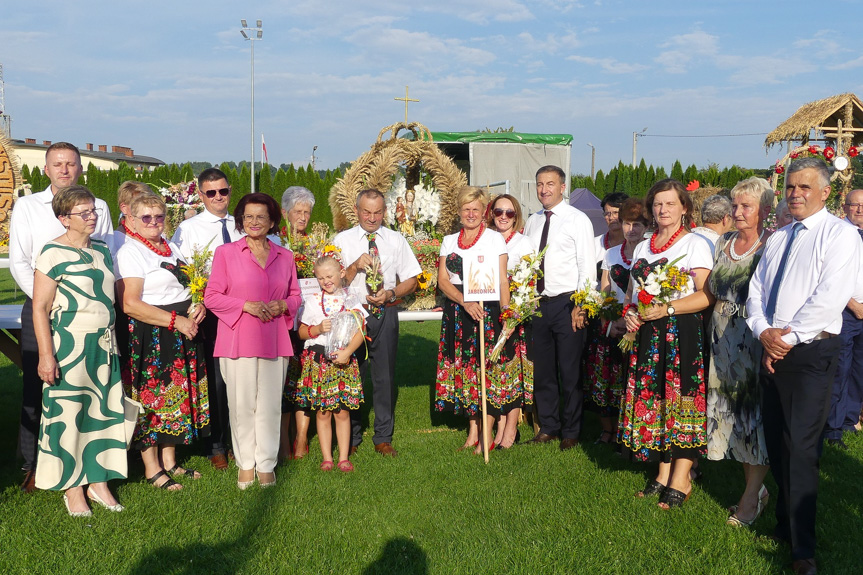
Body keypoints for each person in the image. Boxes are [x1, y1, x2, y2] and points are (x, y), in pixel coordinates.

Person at [747, 158, 861, 574]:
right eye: (790, 187)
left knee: (801, 449)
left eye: (804, 188)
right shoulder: (778, 238)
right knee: (778, 443)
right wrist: (764, 332)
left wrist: (785, 340)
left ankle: (802, 550)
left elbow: (830, 297)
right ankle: (784, 523)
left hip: (810, 352)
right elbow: (757, 290)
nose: (795, 194)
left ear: (825, 192)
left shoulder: (841, 235)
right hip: (772, 348)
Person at [9, 142, 114, 493]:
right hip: (42, 303)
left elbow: (106, 255)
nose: (65, 170)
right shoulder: (27, 206)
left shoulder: (97, 206)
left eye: (71, 163)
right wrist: (48, 300)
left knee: (88, 387)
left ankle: (90, 461)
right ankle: (34, 465)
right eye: (58, 164)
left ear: (81, 168)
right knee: (38, 385)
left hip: (88, 312)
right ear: (47, 169)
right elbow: (21, 259)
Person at [32, 186, 127, 516]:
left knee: (104, 413)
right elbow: (40, 308)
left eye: (93, 211)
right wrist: (46, 355)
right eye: (83, 213)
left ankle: (99, 483)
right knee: (70, 414)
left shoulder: (102, 250)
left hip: (104, 344)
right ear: (63, 218)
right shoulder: (52, 253)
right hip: (70, 345)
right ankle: (73, 488)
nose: (91, 217)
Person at [620, 179, 713, 510]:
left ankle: (682, 478)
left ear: (684, 207)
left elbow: (706, 295)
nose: (663, 210)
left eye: (670, 204)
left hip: (680, 333)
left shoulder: (694, 244)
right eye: (658, 204)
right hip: (647, 333)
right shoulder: (644, 246)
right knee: (657, 400)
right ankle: (662, 472)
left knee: (681, 400)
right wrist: (630, 315)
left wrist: (670, 308)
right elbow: (633, 294)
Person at [204, 193, 301, 489]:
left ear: (272, 221)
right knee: (242, 404)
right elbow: (212, 297)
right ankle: (246, 464)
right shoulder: (226, 253)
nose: (254, 222)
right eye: (248, 217)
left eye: (260, 217)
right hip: (237, 338)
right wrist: (245, 305)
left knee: (270, 406)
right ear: (240, 220)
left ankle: (267, 464)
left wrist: (283, 306)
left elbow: (295, 295)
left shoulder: (286, 256)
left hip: (273, 338)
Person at [116, 193, 210, 491]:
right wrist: (175, 321)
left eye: (159, 216)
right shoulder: (131, 252)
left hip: (181, 329)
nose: (154, 222)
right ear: (130, 219)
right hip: (153, 332)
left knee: (176, 398)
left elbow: (188, 285)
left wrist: (199, 305)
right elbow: (129, 303)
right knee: (153, 398)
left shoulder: (171, 246)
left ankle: (170, 460)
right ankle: (151, 467)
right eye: (146, 217)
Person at [334, 189, 422, 457]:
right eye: (366, 212)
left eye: (377, 212)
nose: (372, 218)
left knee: (384, 376)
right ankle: (352, 435)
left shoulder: (396, 240)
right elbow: (331, 282)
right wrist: (353, 266)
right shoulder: (342, 240)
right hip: (352, 314)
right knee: (352, 375)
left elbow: (413, 278)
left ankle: (383, 437)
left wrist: (392, 293)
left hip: (385, 311)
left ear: (385, 211)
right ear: (356, 210)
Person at [172, 168, 244, 471]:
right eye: (211, 193)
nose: (218, 198)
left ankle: (242, 439)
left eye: (223, 191)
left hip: (243, 309)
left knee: (241, 377)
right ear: (200, 195)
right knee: (216, 380)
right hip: (211, 313)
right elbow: (182, 271)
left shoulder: (242, 224)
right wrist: (197, 300)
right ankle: (216, 444)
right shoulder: (190, 229)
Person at [522, 165, 596, 450]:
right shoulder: (533, 221)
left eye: (550, 184)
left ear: (562, 187)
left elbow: (586, 266)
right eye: (540, 184)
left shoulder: (577, 220)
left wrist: (582, 306)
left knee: (569, 371)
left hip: (568, 304)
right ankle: (549, 426)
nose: (544, 189)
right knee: (543, 371)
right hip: (539, 305)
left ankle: (571, 430)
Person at [435, 186, 510, 452]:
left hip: (486, 309)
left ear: (483, 212)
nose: (470, 214)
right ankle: (472, 431)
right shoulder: (449, 240)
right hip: (459, 307)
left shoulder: (493, 239)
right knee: (465, 369)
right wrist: (463, 302)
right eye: (466, 209)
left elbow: (502, 279)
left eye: (475, 209)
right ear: (458, 211)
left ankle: (486, 433)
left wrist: (507, 313)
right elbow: (443, 281)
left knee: (484, 370)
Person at [296, 252, 367, 472]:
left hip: (343, 360)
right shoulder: (313, 301)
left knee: (342, 411)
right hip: (319, 360)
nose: (326, 281)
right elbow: (300, 332)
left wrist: (347, 353)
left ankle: (343, 457)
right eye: (321, 278)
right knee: (323, 411)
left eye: (330, 276)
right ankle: (327, 457)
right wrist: (317, 329)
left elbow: (361, 328)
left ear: (342, 273)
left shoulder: (350, 299)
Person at [585, 197, 647, 445]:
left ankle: (628, 429)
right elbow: (605, 291)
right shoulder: (611, 254)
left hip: (639, 323)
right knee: (606, 376)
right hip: (613, 322)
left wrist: (632, 319)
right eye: (627, 224)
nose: (631, 230)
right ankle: (608, 429)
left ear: (647, 227)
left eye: (638, 225)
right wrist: (610, 322)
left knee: (630, 378)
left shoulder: (649, 253)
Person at [485, 194, 534, 449]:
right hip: (490, 311)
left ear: (516, 216)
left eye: (509, 213)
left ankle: (510, 428)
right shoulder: (486, 239)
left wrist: (515, 314)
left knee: (514, 371)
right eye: (498, 212)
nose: (503, 217)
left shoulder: (524, 243)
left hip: (515, 313)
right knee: (496, 371)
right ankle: (497, 425)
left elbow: (529, 282)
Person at [278, 185, 317, 461]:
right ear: (284, 213)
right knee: (282, 383)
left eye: (307, 212)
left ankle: (302, 438)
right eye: (298, 212)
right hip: (282, 321)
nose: (302, 218)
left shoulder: (318, 244)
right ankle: (283, 439)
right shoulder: (275, 243)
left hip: (310, 322)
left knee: (304, 381)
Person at [823, 189, 863, 448]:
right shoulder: (839, 234)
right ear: (845, 207)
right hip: (846, 312)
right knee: (841, 370)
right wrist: (855, 306)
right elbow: (831, 275)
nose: (860, 209)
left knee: (859, 369)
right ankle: (833, 429)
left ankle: (850, 419)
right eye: (855, 205)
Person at [111, 181, 157, 257]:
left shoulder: (156, 234)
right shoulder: (115, 240)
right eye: (138, 205)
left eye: (149, 204)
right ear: (124, 208)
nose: (145, 209)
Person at [594, 192, 629, 274]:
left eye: (616, 213)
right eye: (607, 214)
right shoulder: (595, 243)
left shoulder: (636, 244)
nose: (611, 217)